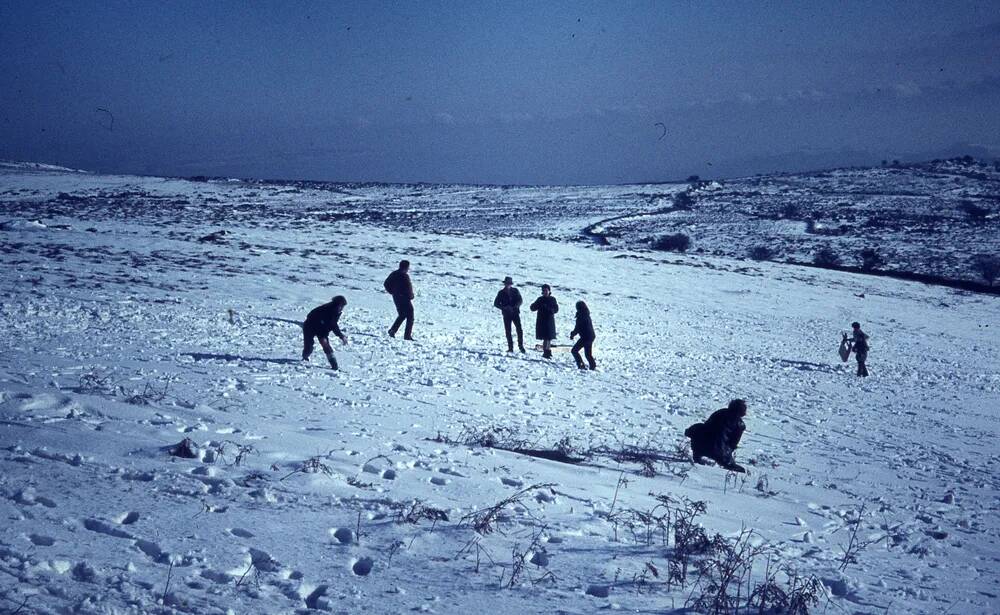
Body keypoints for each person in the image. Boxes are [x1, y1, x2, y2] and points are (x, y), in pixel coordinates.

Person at [684, 399, 747, 472]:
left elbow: (707, 425)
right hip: (719, 452)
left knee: (701, 428)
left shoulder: (720, 412)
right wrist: (727, 456)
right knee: (740, 470)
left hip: (700, 444)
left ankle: (697, 456)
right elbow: (733, 444)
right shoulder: (740, 425)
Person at [302, 295, 348, 370]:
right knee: (309, 346)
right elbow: (333, 325)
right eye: (341, 306)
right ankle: (305, 356)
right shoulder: (327, 310)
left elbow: (333, 324)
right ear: (336, 304)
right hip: (309, 327)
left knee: (325, 344)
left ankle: (334, 365)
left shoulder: (336, 312)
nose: (342, 308)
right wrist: (341, 336)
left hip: (322, 329)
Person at [384, 260, 415, 340]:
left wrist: (393, 292)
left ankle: (393, 330)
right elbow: (408, 288)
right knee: (410, 315)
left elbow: (386, 284)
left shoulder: (394, 274)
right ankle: (407, 335)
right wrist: (410, 295)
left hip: (397, 298)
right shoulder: (404, 276)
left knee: (402, 315)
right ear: (406, 267)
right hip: (405, 298)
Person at [493, 276, 525, 353]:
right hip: (506, 314)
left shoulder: (515, 291)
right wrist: (504, 308)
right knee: (508, 331)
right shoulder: (501, 293)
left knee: (519, 330)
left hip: (515, 313)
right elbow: (496, 303)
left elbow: (520, 300)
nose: (508, 285)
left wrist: (515, 306)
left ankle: (521, 346)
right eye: (507, 283)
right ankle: (510, 348)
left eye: (509, 284)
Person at [530, 284, 559, 358]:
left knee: (548, 337)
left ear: (549, 291)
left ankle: (548, 352)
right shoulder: (540, 299)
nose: (545, 292)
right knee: (546, 337)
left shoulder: (552, 299)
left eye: (546, 290)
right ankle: (546, 352)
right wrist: (537, 305)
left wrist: (549, 309)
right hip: (541, 321)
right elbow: (533, 308)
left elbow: (556, 309)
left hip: (549, 321)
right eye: (543, 291)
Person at [569, 300, 596, 370]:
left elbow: (578, 328)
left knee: (574, 351)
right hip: (591, 336)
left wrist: (572, 334)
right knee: (588, 354)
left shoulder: (581, 316)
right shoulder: (586, 314)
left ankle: (581, 365)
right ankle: (593, 366)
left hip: (585, 337)